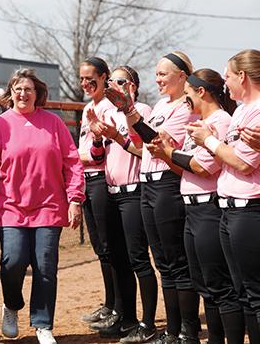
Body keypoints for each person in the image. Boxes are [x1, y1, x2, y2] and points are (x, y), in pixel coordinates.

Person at [0, 68, 85, 344]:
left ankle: (43, 324)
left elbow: (72, 163)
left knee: (45, 266)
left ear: (38, 94)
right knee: (13, 261)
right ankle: (11, 305)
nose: (23, 94)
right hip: (10, 207)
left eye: (28, 89)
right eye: (18, 89)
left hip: (48, 206)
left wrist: (75, 199)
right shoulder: (0, 125)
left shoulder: (53, 123)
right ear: (11, 93)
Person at [105, 52, 199, 344]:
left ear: (182, 76)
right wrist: (128, 121)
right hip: (148, 183)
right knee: (162, 262)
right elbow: (141, 145)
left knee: (176, 261)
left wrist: (131, 111)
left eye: (163, 74)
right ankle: (171, 331)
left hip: (168, 184)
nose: (158, 79)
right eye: (156, 74)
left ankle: (187, 332)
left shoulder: (185, 107)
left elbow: (158, 142)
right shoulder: (160, 105)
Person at [150, 68, 245, 343]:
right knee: (204, 284)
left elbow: (203, 167)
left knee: (220, 285)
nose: (185, 101)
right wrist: (166, 154)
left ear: (201, 91)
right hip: (192, 209)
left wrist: (169, 153)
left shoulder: (221, 121)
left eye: (188, 94)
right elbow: (186, 170)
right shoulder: (200, 123)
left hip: (210, 209)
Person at [186, 49, 260, 344]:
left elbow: (243, 162)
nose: (226, 83)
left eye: (229, 76)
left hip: (252, 210)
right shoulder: (242, 111)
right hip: (230, 209)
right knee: (244, 293)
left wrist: (207, 140)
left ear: (243, 77)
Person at [86, 65, 159, 343]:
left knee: (139, 258)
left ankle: (148, 322)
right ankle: (126, 318)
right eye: (112, 82)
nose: (115, 86)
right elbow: (97, 156)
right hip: (112, 191)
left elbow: (147, 151)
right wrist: (95, 136)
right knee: (117, 257)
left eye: (121, 81)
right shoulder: (107, 112)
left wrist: (119, 133)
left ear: (133, 86)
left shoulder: (143, 111)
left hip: (134, 191)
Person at [77, 57, 123, 330]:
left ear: (104, 77)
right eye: (82, 79)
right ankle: (109, 304)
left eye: (90, 78)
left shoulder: (110, 106)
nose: (85, 83)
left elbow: (96, 156)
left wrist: (73, 157)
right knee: (100, 248)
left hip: (103, 180)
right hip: (87, 181)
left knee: (111, 246)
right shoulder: (87, 109)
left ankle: (119, 307)